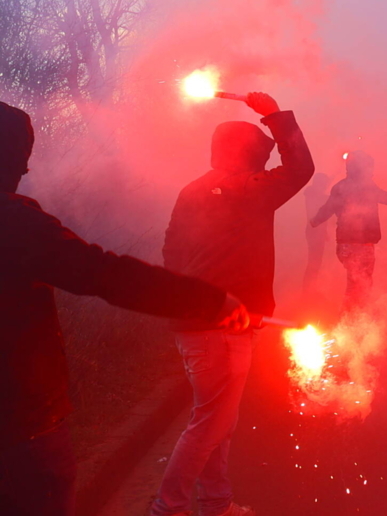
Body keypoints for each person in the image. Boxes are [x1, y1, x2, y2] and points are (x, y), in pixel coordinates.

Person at [0, 101, 249, 516]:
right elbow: (103, 274)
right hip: (20, 429)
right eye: (22, 160)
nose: (25, 173)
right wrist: (207, 300)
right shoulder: (13, 222)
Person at [151, 92, 314, 516]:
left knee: (218, 423)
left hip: (194, 326)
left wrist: (188, 298)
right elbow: (302, 170)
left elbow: (171, 250)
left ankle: (217, 503)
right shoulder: (248, 188)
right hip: (223, 330)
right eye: (260, 154)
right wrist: (276, 115)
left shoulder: (192, 191)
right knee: (210, 425)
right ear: (248, 156)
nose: (265, 162)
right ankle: (167, 509)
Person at [310, 150, 387, 310]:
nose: (372, 172)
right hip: (360, 246)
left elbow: (327, 209)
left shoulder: (340, 187)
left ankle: (352, 323)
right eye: (369, 168)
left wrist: (315, 221)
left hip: (344, 246)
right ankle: (352, 325)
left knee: (355, 286)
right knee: (360, 289)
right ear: (361, 168)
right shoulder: (365, 187)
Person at [302, 173, 332, 293]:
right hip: (314, 231)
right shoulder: (313, 194)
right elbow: (314, 213)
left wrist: (324, 232)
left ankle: (310, 288)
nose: (325, 186)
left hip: (317, 231)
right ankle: (308, 290)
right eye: (324, 183)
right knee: (314, 262)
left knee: (316, 262)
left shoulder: (316, 195)